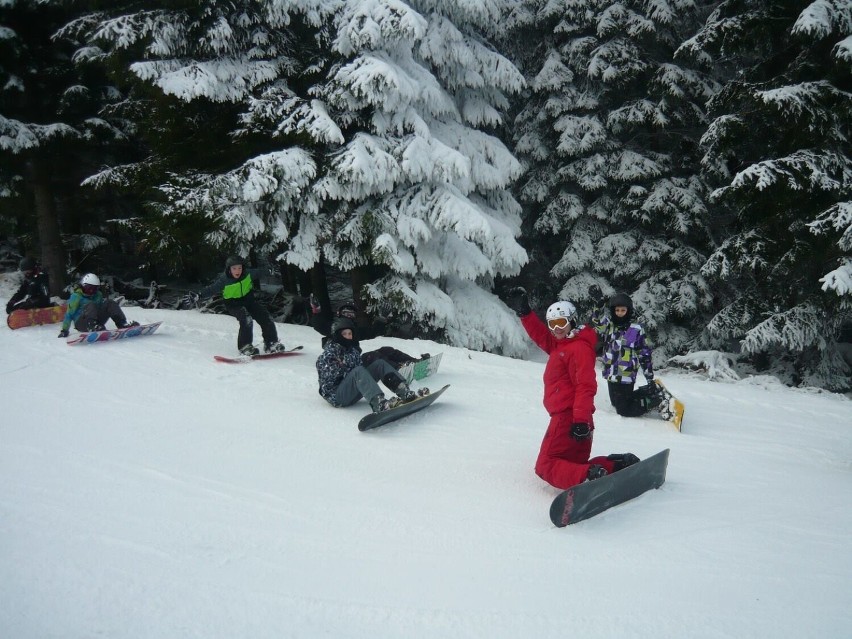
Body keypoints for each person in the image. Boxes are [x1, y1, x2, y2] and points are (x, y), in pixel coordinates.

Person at [503, 286, 639, 489]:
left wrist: (581, 421)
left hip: (570, 419)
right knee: (572, 464)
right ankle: (615, 465)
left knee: (545, 465)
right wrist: (525, 314)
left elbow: (585, 386)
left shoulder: (578, 349)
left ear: (572, 321)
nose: (557, 329)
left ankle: (586, 477)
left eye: (561, 323)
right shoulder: (563, 344)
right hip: (576, 419)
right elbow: (541, 337)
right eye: (552, 324)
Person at [316, 317, 426, 413]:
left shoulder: (352, 351)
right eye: (344, 334)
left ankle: (403, 391)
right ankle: (379, 403)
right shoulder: (329, 354)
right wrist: (340, 368)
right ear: (337, 335)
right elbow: (326, 382)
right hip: (338, 396)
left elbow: (359, 372)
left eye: (350, 334)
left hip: (352, 391)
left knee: (379, 364)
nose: (348, 336)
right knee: (358, 371)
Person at [588, 287, 665, 419]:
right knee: (616, 404)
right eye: (617, 310)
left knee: (623, 410)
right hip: (611, 373)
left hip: (626, 374)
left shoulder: (636, 329)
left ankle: (654, 401)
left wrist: (649, 376)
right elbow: (595, 322)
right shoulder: (608, 325)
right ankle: (646, 394)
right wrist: (598, 306)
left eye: (623, 310)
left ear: (628, 311)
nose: (619, 313)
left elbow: (644, 353)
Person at [197, 255, 286, 356]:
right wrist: (198, 295)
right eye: (234, 268)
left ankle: (271, 343)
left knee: (265, 317)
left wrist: (270, 271)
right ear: (229, 269)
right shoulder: (224, 280)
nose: (237, 271)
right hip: (233, 304)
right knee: (246, 318)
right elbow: (211, 289)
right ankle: (245, 346)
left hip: (249, 301)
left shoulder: (247, 274)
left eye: (239, 268)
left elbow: (260, 272)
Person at [309, 294, 420, 368]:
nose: (349, 316)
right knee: (374, 357)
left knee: (386, 350)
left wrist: (381, 318)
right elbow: (319, 325)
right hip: (347, 366)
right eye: (346, 313)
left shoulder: (355, 331)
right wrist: (316, 310)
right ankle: (399, 368)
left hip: (356, 361)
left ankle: (414, 362)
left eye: (351, 314)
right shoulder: (335, 329)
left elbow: (372, 332)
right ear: (339, 314)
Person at [57, 273, 139, 337]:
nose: (92, 292)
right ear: (84, 286)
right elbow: (69, 314)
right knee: (91, 304)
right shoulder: (76, 296)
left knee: (109, 302)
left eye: (94, 289)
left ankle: (122, 323)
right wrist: (64, 330)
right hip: (81, 323)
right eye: (89, 288)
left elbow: (101, 309)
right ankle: (92, 326)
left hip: (97, 321)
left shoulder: (98, 295)